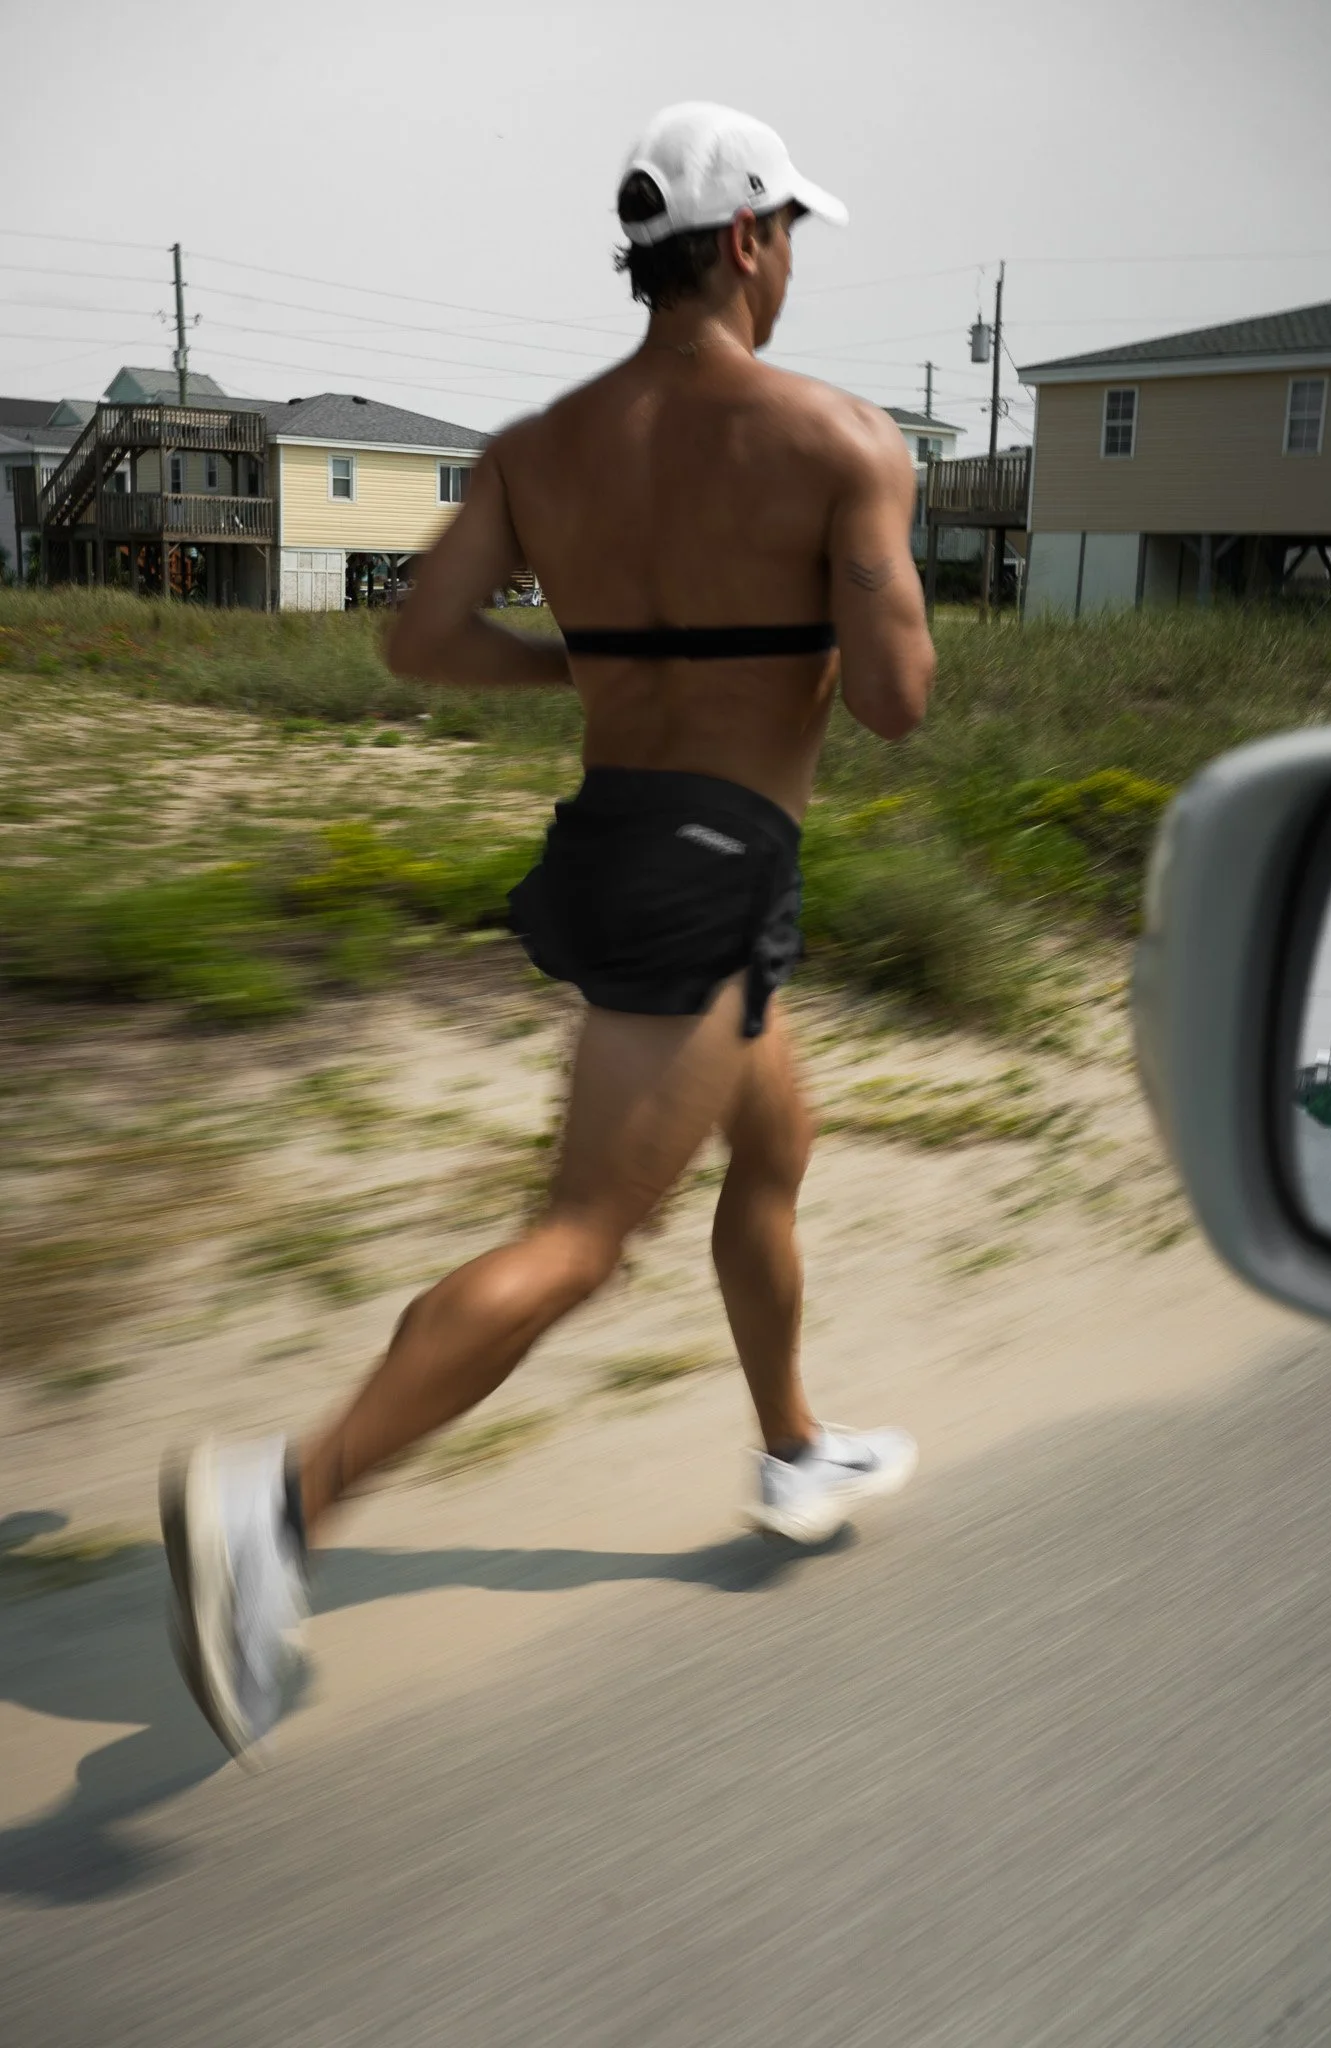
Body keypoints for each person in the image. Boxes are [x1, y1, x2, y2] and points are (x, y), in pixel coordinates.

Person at [161, 100, 938, 1764]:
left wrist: (580, 667)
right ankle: (279, 1504)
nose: (791, 263)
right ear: (745, 244)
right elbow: (894, 704)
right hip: (714, 867)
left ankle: (793, 1442)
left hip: (614, 844)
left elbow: (425, 640)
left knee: (777, 1139)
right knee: (584, 1236)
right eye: (788, 233)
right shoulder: (845, 440)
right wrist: (852, 594)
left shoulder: (536, 445)